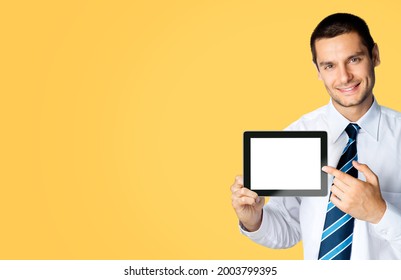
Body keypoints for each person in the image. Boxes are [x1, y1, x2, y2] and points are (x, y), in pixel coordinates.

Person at [230, 13, 401, 260]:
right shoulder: (297, 136)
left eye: (354, 59)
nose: (344, 77)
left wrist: (380, 213)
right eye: (329, 65)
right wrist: (254, 220)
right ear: (318, 70)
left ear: (374, 55)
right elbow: (288, 228)